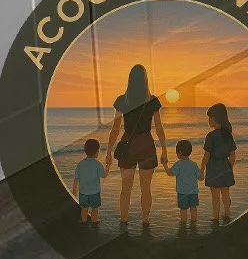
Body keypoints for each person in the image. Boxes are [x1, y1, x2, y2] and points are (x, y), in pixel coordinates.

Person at [105, 63, 167, 230]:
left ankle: (123, 220)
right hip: (146, 144)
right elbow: (159, 128)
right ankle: (145, 220)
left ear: (130, 79)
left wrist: (109, 151)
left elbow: (115, 129)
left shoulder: (122, 100)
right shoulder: (152, 100)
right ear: (145, 80)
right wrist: (164, 150)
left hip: (128, 145)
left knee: (126, 188)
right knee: (146, 189)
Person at [202, 102, 236, 223]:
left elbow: (206, 156)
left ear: (215, 119)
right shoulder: (228, 135)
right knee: (226, 193)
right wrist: (229, 167)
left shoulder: (210, 136)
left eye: (209, 118)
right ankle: (227, 213)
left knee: (215, 195)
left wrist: (201, 169)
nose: (208, 121)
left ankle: (215, 216)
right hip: (225, 166)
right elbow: (233, 155)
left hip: (213, 167)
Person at [165, 137, 201, 228]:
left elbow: (170, 173)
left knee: (183, 209)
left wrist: (165, 165)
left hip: (182, 192)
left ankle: (183, 225)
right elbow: (200, 177)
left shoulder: (178, 164)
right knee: (193, 208)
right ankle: (194, 224)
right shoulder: (194, 164)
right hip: (193, 191)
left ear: (179, 152)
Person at [72, 138, 103, 224]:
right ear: (97, 151)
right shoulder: (98, 164)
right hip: (94, 192)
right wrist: (108, 166)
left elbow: (76, 179)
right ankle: (94, 221)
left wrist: (74, 192)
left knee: (84, 209)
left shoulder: (80, 164)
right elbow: (103, 175)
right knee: (95, 209)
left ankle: (84, 221)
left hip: (83, 192)